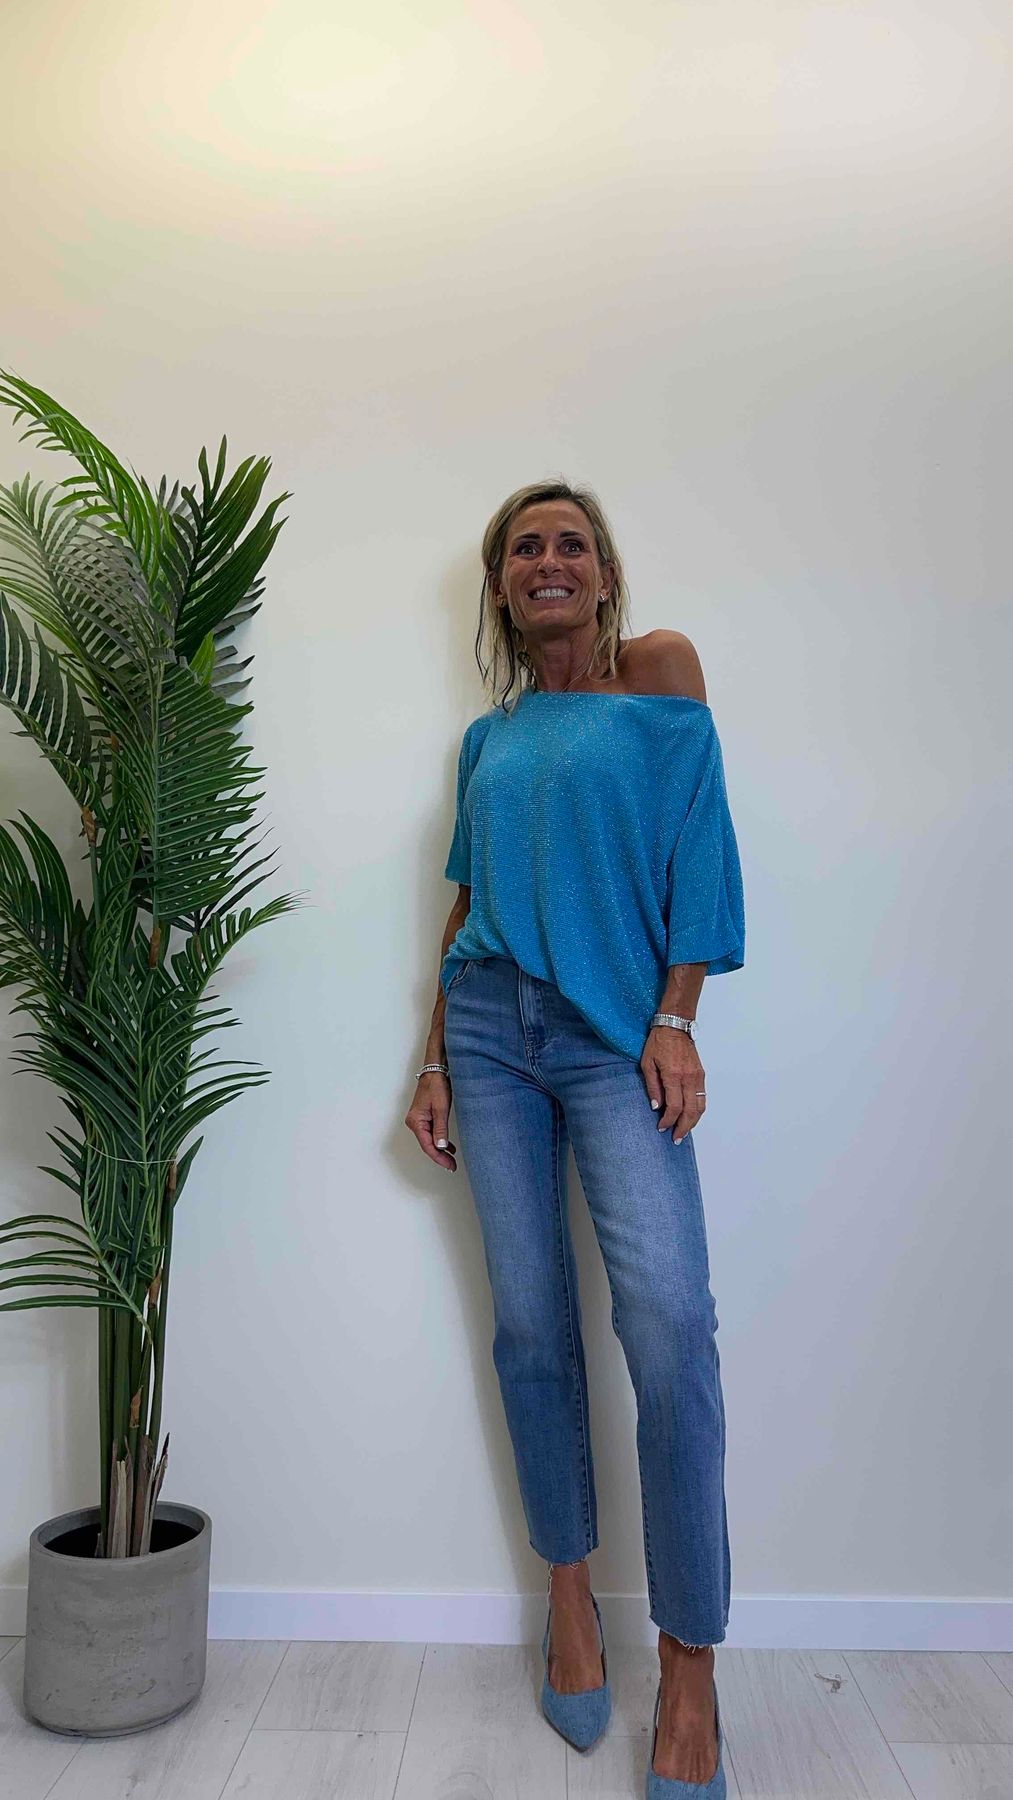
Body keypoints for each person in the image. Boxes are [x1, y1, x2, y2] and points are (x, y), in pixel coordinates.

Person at [405, 479, 744, 1796]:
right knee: (531, 1326)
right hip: (490, 1033)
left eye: (570, 543)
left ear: (602, 573)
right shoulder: (486, 740)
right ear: (500, 585)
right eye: (523, 548)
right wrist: (432, 1055)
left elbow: (697, 853)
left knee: (668, 1327)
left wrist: (676, 1019)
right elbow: (467, 909)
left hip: (615, 1038)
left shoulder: (659, 674)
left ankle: (690, 1663)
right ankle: (569, 1594)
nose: (548, 560)